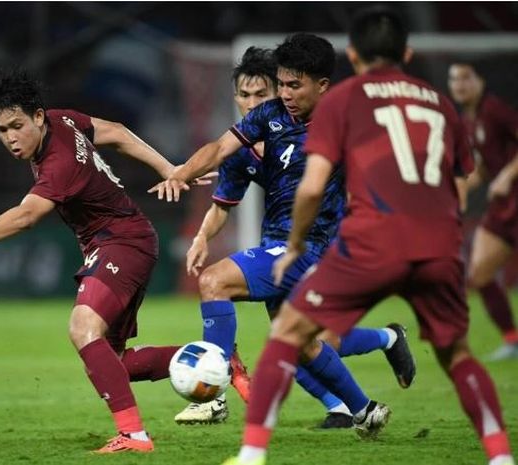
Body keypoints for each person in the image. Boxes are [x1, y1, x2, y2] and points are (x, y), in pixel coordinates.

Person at [221, 9, 515, 465]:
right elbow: (462, 179)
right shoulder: (439, 102)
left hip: (371, 242)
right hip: (436, 243)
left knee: (287, 335)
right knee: (457, 354)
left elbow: (313, 185)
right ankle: (499, 457)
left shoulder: (343, 100)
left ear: (353, 55)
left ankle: (252, 454)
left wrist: (295, 243)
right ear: (409, 53)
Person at [0, 69, 208, 454]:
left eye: (17, 126)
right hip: (126, 239)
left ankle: (135, 436)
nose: (10, 138)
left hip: (121, 242)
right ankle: (214, 359)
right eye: (1, 129)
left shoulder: (59, 163)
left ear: (38, 118)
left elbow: (27, 217)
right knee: (113, 363)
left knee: (82, 327)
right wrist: (168, 168)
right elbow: (116, 132)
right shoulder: (62, 120)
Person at [152, 33, 405, 437]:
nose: (284, 94)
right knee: (301, 342)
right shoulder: (269, 116)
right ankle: (365, 409)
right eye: (282, 84)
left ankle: (214, 396)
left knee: (214, 282)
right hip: (280, 243)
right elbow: (219, 150)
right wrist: (180, 173)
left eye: (294, 85)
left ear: (322, 84)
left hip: (311, 247)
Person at [448, 62, 518, 361]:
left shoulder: (495, 109)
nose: (460, 85)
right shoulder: (467, 120)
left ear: (480, 80)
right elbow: (485, 167)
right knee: (479, 272)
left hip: (513, 195)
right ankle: (513, 340)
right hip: (504, 205)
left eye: (466, 78)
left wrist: (507, 175)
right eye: (454, 79)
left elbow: (503, 167)